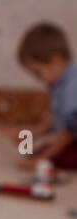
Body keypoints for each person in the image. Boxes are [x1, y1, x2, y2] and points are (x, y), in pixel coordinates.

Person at [17, 22, 77, 170]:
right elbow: (59, 119)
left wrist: (41, 159)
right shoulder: (59, 83)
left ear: (57, 60)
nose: (37, 79)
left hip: (72, 136)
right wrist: (33, 133)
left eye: (38, 73)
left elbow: (70, 132)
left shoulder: (72, 86)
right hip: (70, 135)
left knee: (58, 156)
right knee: (45, 149)